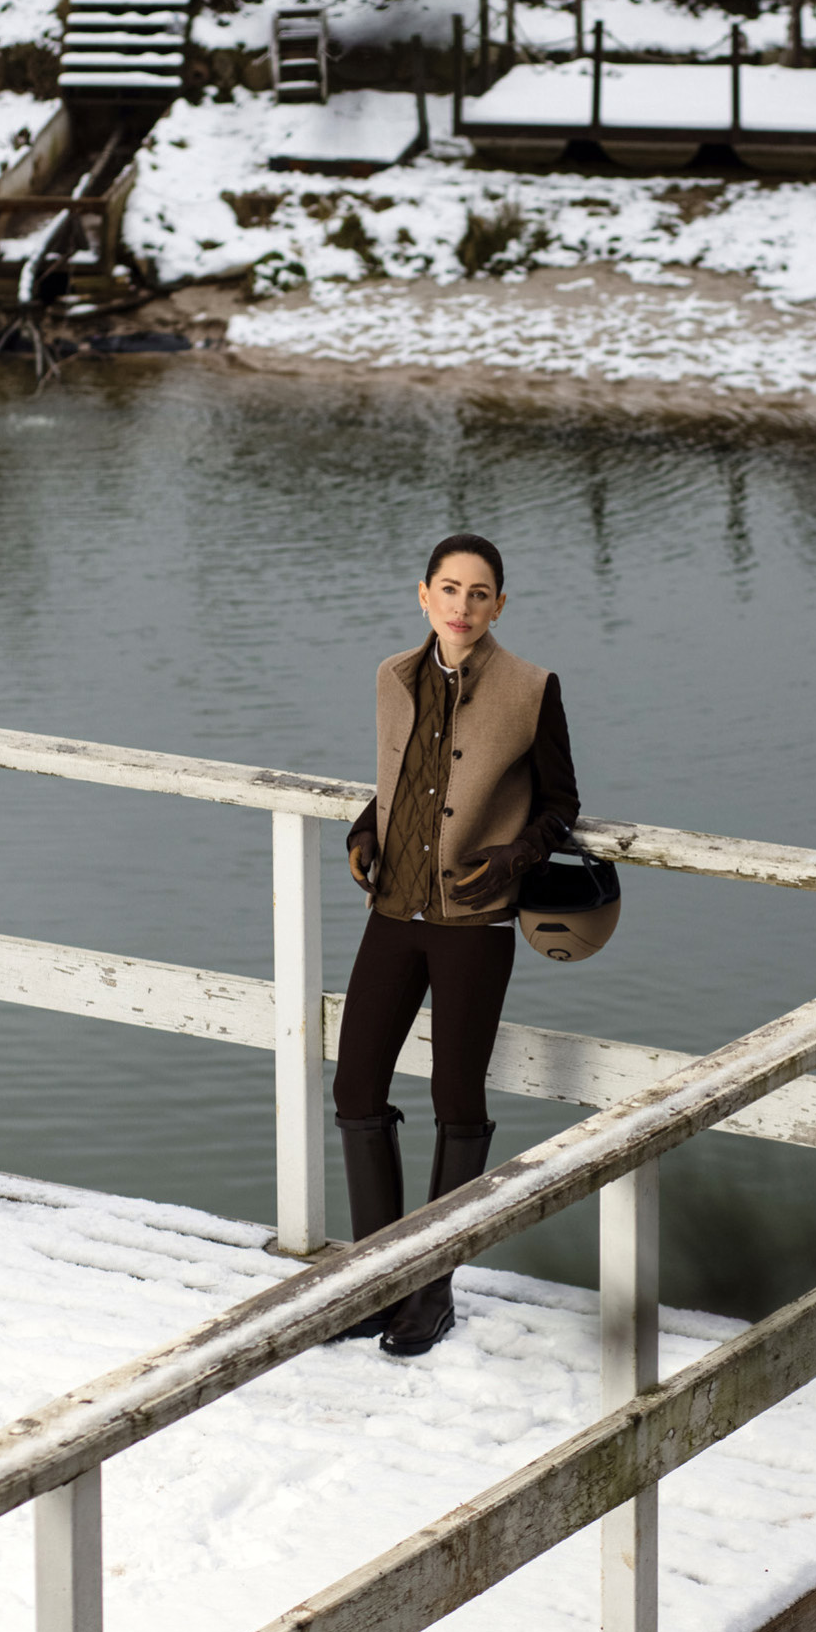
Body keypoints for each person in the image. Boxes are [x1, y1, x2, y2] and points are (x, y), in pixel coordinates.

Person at [333, 533, 580, 1356]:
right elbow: (399, 777)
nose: (462, 605)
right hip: (392, 910)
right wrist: (364, 829)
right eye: (449, 588)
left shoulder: (532, 688)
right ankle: (376, 1278)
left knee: (455, 1096)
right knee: (355, 1084)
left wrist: (516, 855)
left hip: (475, 921)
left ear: (499, 605)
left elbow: (561, 803)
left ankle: (431, 1289)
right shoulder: (391, 676)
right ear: (424, 594)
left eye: (479, 593)